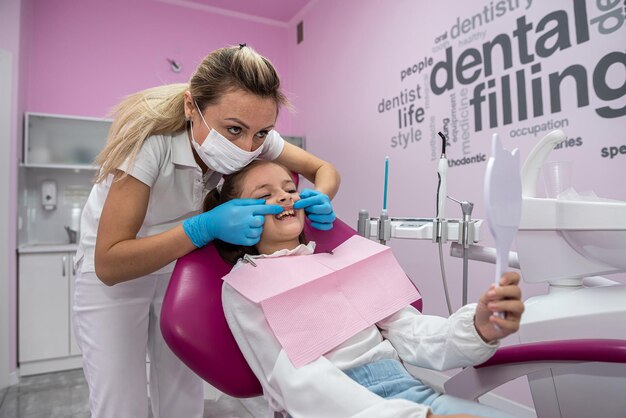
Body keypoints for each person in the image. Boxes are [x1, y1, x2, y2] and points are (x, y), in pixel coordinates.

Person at [72, 44, 339, 418]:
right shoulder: (152, 143)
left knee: (182, 394)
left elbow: (324, 169)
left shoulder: (252, 134)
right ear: (190, 107)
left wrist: (319, 199)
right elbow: (110, 263)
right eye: (234, 130)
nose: (247, 148)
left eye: (261, 133)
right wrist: (203, 228)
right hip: (118, 272)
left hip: (179, 267)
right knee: (121, 402)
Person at [205, 160, 525, 418]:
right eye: (264, 196)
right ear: (235, 218)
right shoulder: (247, 284)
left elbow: (407, 329)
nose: (285, 197)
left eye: (290, 189)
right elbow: (298, 381)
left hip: (413, 395)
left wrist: (478, 327)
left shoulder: (341, 261)